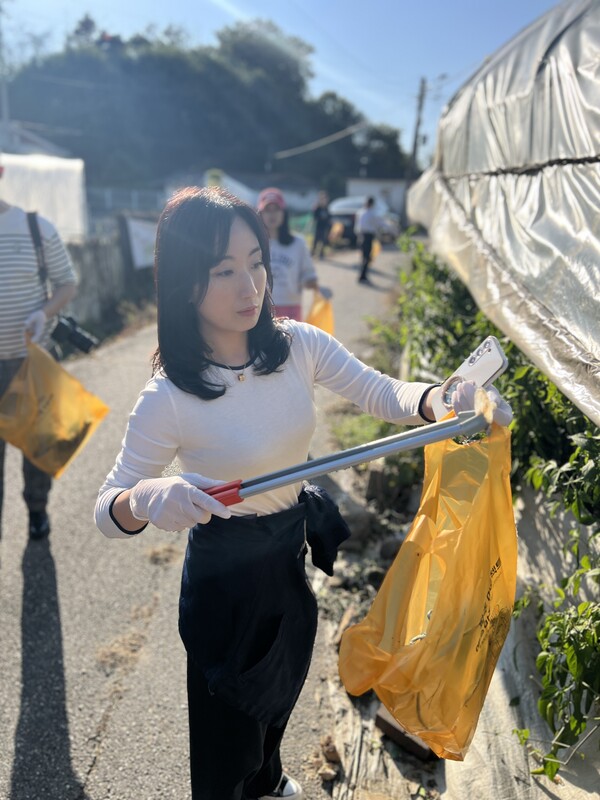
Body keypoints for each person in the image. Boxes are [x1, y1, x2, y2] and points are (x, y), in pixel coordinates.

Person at [94, 186, 512, 800]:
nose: (251, 286)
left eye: (256, 263)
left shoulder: (297, 346)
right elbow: (107, 509)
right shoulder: (169, 397)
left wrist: (444, 399)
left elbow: (381, 392)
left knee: (280, 687)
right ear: (185, 284)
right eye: (224, 271)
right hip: (224, 580)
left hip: (287, 550)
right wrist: (150, 498)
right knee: (225, 730)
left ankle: (268, 780)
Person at [0, 188, 78, 541]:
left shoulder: (35, 227)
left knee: (38, 452)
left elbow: (66, 284)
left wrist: (42, 313)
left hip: (33, 358)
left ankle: (37, 510)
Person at [257, 187, 319, 320]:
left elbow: (308, 274)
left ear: (284, 213)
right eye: (267, 210)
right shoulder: (254, 244)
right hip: (261, 308)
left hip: (291, 308)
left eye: (276, 209)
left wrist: (313, 283)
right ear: (260, 214)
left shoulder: (298, 243)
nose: (272, 214)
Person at [354, 196, 384, 284]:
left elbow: (357, 226)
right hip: (367, 236)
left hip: (361, 236)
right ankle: (362, 276)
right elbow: (379, 224)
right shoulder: (371, 213)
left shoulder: (360, 212)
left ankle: (363, 275)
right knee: (366, 257)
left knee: (364, 257)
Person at [311, 191, 331, 260]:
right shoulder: (318, 208)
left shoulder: (326, 208)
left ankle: (321, 254)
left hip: (324, 227)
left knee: (323, 240)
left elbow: (329, 217)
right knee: (316, 240)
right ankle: (312, 253)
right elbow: (314, 217)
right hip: (318, 226)